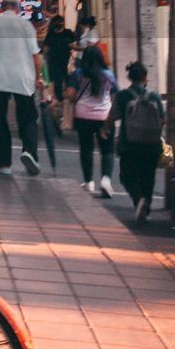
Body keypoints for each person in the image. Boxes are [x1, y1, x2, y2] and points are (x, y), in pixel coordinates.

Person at [0, 0, 42, 176]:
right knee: (27, 117)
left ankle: (4, 164)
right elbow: (36, 56)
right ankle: (29, 152)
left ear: (1, 7)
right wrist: (39, 77)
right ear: (18, 9)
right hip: (23, 77)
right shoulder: (26, 25)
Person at [110, 61, 163, 222]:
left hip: (129, 145)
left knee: (127, 176)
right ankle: (145, 209)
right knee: (148, 177)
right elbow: (163, 119)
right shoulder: (154, 96)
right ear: (145, 77)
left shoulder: (123, 96)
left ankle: (138, 199)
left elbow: (113, 116)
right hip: (152, 145)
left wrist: (105, 129)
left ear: (130, 77)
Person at [67, 44, 117, 197]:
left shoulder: (78, 74)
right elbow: (115, 96)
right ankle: (106, 180)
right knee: (107, 150)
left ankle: (89, 182)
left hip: (83, 117)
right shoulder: (109, 75)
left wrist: (77, 99)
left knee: (86, 149)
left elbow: (70, 95)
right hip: (104, 117)